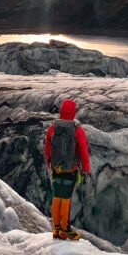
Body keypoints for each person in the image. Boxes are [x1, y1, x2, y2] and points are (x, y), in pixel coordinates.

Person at [44, 98, 90, 241]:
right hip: (71, 169)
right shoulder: (77, 130)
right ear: (73, 112)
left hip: (56, 168)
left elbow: (47, 147)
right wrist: (86, 168)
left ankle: (56, 228)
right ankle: (65, 229)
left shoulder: (53, 128)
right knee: (66, 198)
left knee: (57, 197)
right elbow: (82, 150)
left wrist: (49, 163)